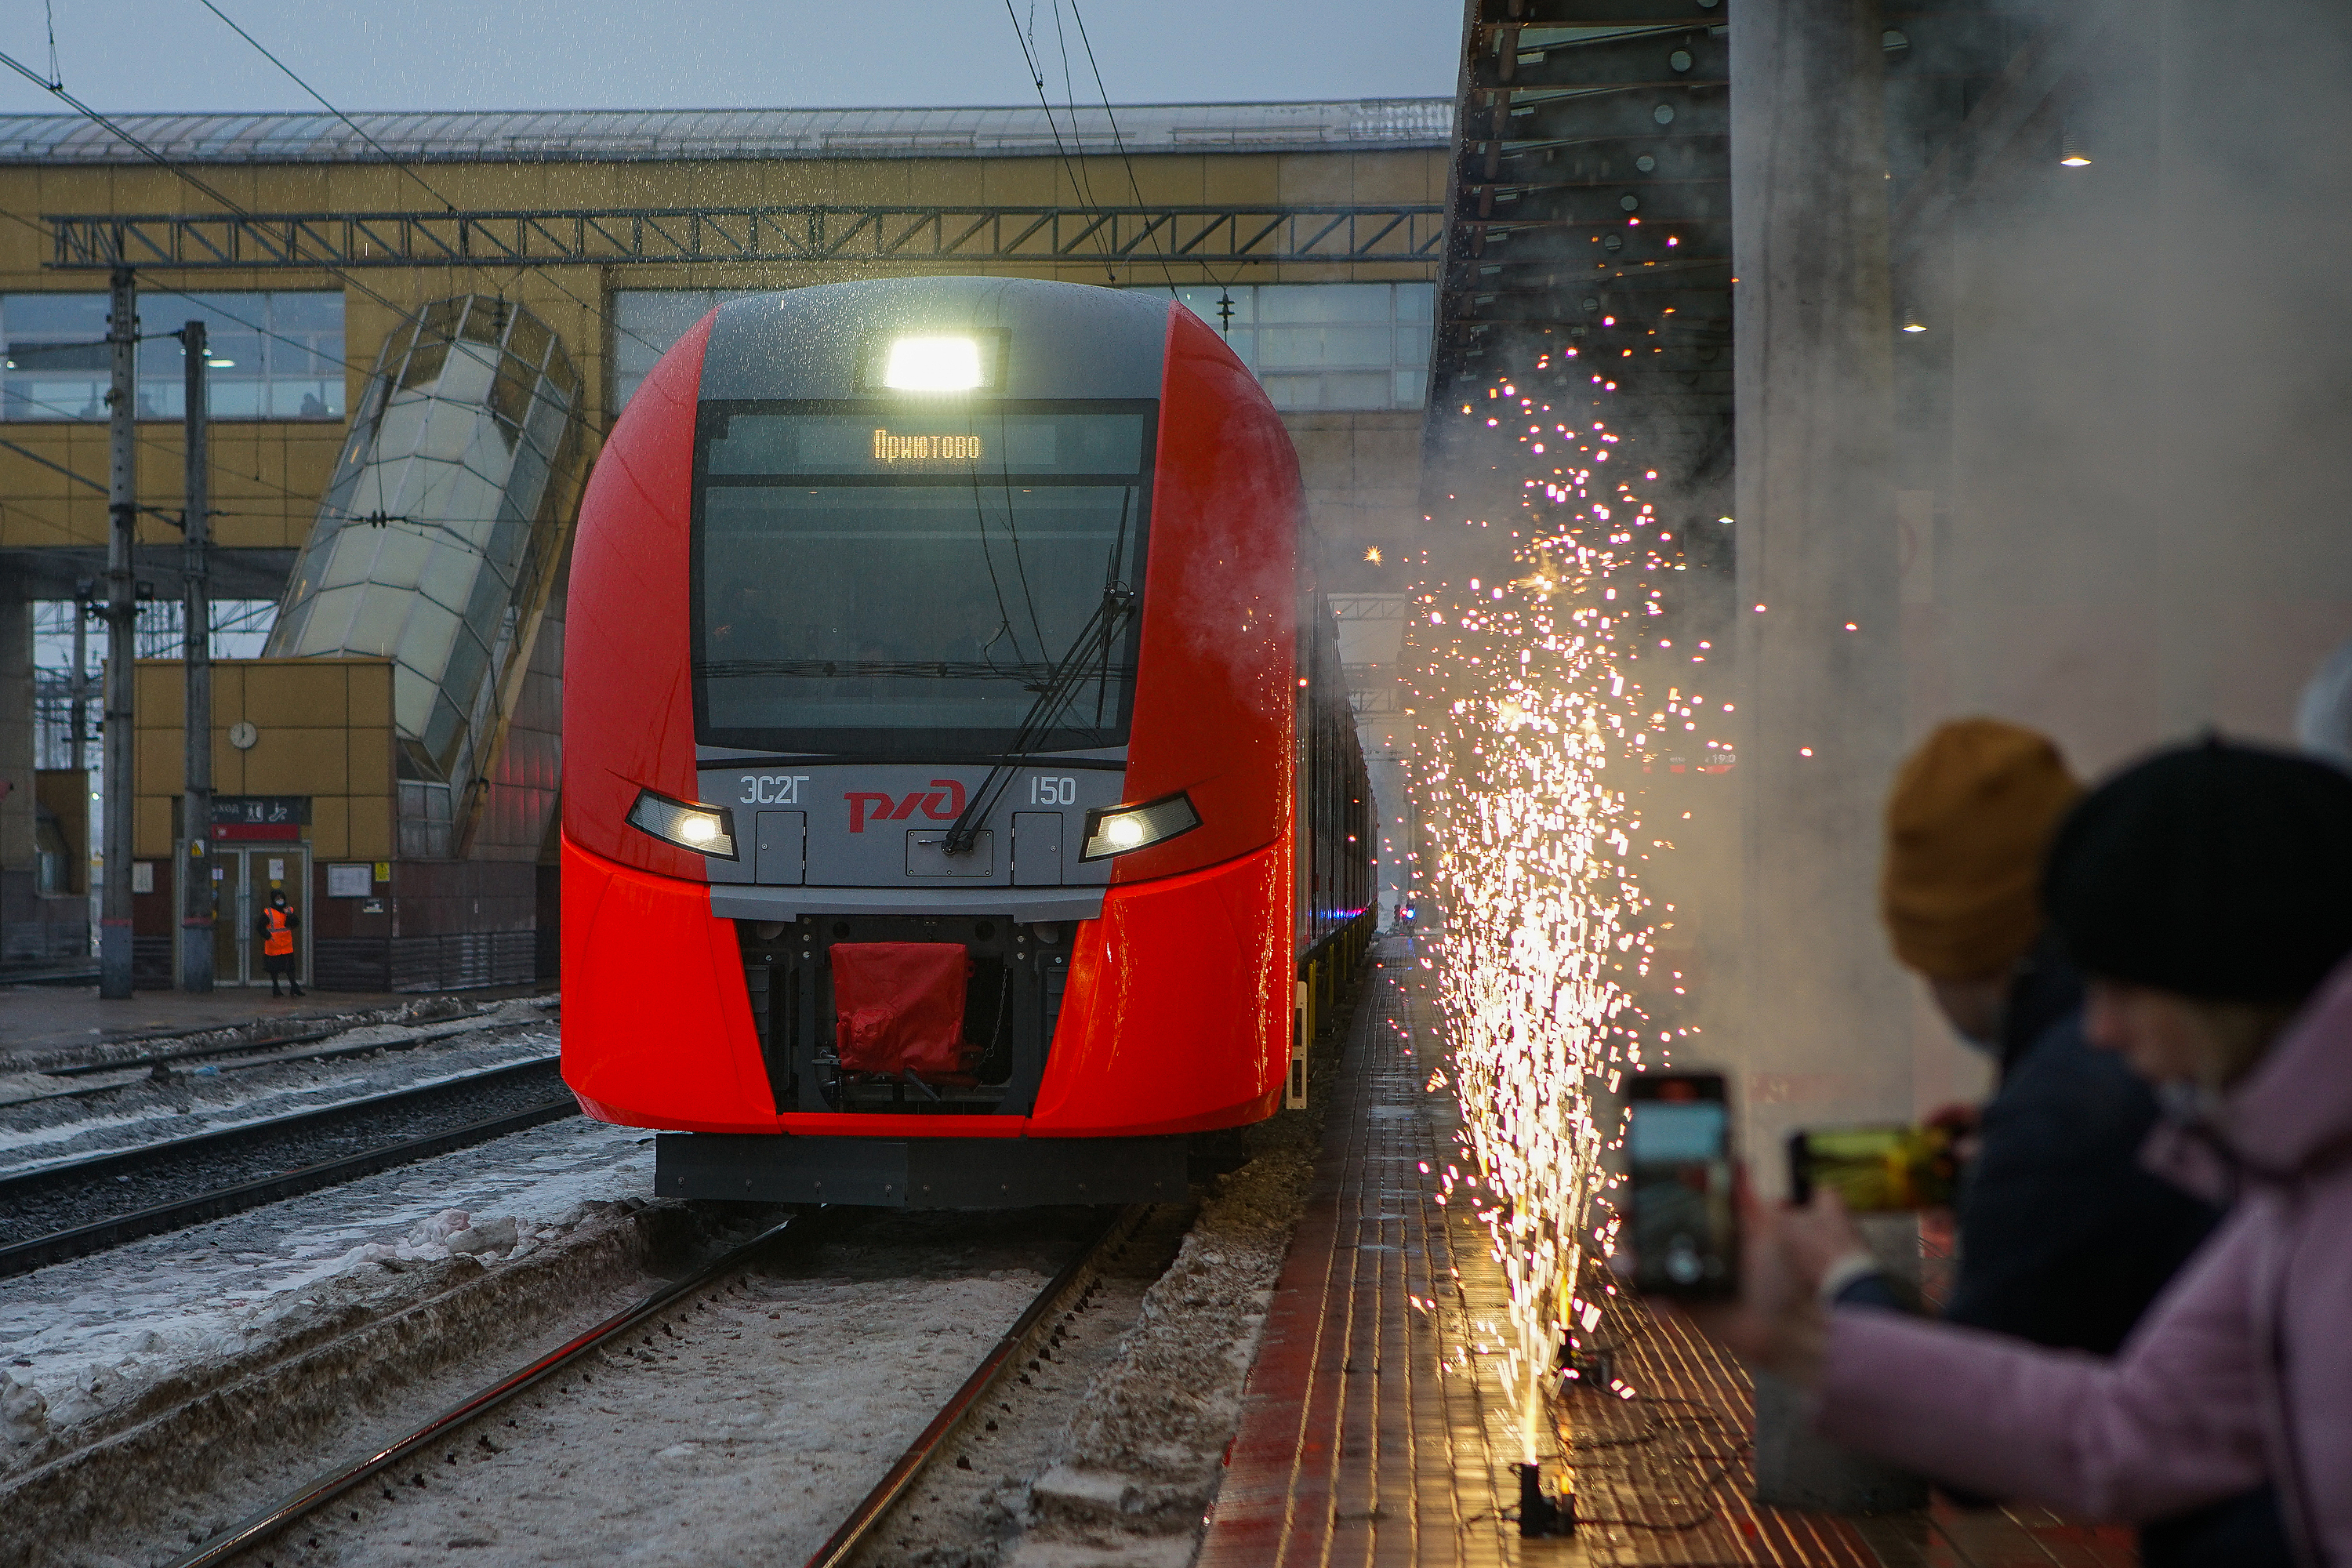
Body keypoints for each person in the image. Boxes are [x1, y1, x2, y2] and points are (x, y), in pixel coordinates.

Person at [1686, 741, 2352, 1566]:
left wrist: (1848, 1282)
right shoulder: (2277, 1180)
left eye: (2123, 989)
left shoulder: (2146, 1131)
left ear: (2224, 976)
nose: (2099, 1031)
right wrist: (1788, 1336)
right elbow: (2123, 1433)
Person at [1860, 720, 2284, 1563]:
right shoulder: (2210, 1065)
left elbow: (1978, 1448)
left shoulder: (2063, 1107)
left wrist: (1840, 1289)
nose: (2107, 1032)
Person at [256, 887, 303, 997]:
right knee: (274, 969)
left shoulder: (289, 910)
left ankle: (294, 987)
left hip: (286, 945)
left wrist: (290, 915)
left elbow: (295, 923)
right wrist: (268, 936)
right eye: (277, 898)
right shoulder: (268, 912)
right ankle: (276, 988)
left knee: (290, 968)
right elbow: (260, 926)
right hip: (274, 945)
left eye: (281, 898)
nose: (280, 900)